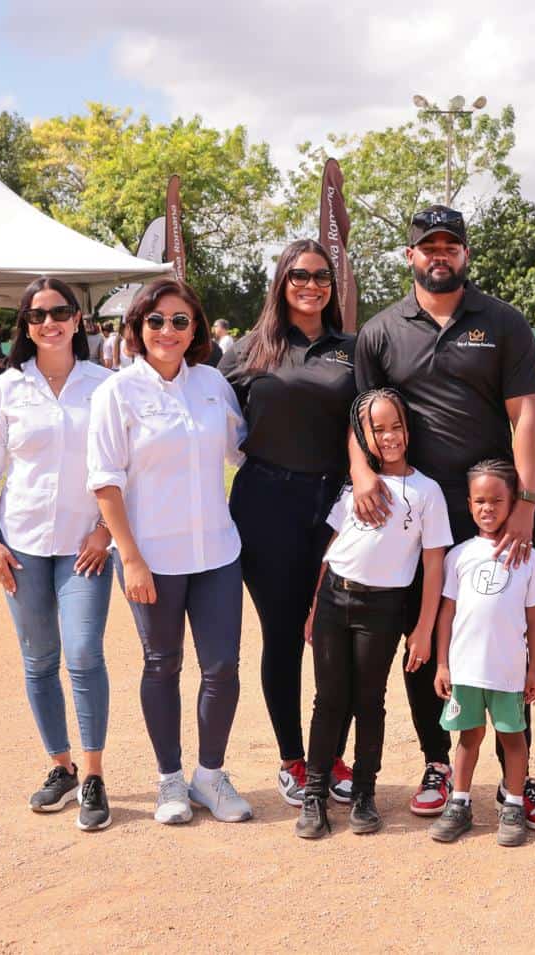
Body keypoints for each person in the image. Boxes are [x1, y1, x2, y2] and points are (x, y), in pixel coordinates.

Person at [351, 205, 535, 831]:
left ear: (466, 254)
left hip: (494, 512)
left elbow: (527, 414)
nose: (438, 254)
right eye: (427, 246)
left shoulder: (503, 322)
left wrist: (527, 501)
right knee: (428, 637)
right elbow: (364, 418)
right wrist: (364, 476)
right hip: (415, 515)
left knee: (504, 635)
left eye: (450, 245)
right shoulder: (382, 331)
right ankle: (439, 763)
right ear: (409, 255)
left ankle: (515, 781)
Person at [87, 277, 252, 826]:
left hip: (218, 553)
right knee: (162, 664)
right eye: (156, 321)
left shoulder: (211, 384)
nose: (168, 331)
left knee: (222, 666)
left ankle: (210, 775)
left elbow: (242, 451)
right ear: (137, 327)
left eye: (181, 321)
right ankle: (169, 781)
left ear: (196, 329)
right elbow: (106, 482)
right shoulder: (117, 392)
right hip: (151, 556)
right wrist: (128, 556)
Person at [0, 276, 116, 831]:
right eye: (37, 315)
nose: (48, 322)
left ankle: (96, 774)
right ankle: (61, 766)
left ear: (78, 320)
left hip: (86, 548)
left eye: (59, 312)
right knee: (38, 661)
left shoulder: (106, 386)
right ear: (25, 327)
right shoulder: (7, 389)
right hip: (22, 546)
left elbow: (124, 466)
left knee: (82, 654)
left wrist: (105, 529)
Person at [219, 239, 359, 808]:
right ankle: (294, 760)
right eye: (299, 275)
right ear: (281, 281)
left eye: (321, 276)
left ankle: (332, 755)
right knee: (283, 636)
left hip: (337, 510)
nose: (311, 285)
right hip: (266, 505)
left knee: (336, 635)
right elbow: (203, 419)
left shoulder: (353, 349)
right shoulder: (248, 351)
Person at [294, 388, 452, 839]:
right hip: (333, 601)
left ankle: (364, 793)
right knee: (328, 700)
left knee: (369, 700)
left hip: (383, 608)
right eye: (377, 429)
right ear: (362, 438)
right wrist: (313, 606)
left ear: (409, 428)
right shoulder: (354, 487)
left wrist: (423, 629)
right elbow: (332, 550)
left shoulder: (426, 492)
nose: (389, 436)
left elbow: (434, 562)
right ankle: (315, 794)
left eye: (395, 426)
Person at [429, 459, 535, 847]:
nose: (488, 508)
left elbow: (534, 619)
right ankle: (460, 803)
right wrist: (443, 663)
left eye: (497, 500)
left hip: (509, 670)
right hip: (466, 670)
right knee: (468, 738)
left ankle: (514, 804)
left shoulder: (527, 556)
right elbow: (446, 613)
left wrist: (534, 671)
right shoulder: (460, 555)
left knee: (513, 738)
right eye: (480, 501)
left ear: (513, 502)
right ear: (469, 504)